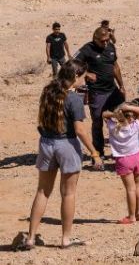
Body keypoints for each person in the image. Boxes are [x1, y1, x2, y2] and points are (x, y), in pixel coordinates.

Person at [19, 63, 95, 250]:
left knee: (42, 191)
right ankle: (65, 238)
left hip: (46, 143)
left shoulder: (48, 92)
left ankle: (30, 238)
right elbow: (79, 130)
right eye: (82, 77)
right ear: (75, 76)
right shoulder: (74, 99)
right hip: (66, 145)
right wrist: (94, 152)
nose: (83, 80)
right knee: (68, 193)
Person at [76, 26, 124, 159]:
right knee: (97, 122)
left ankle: (122, 150)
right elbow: (72, 64)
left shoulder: (110, 47)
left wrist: (121, 85)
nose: (105, 43)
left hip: (113, 90)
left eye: (107, 40)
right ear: (95, 38)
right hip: (97, 93)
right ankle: (98, 152)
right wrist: (86, 73)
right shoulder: (87, 49)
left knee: (123, 117)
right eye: (102, 41)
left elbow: (115, 67)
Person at [102, 102, 139, 224]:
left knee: (130, 189)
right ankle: (138, 213)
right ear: (131, 116)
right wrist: (128, 107)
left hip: (123, 159)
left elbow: (104, 114)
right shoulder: (135, 126)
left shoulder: (112, 126)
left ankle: (131, 216)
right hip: (138, 157)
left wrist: (116, 114)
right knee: (138, 186)